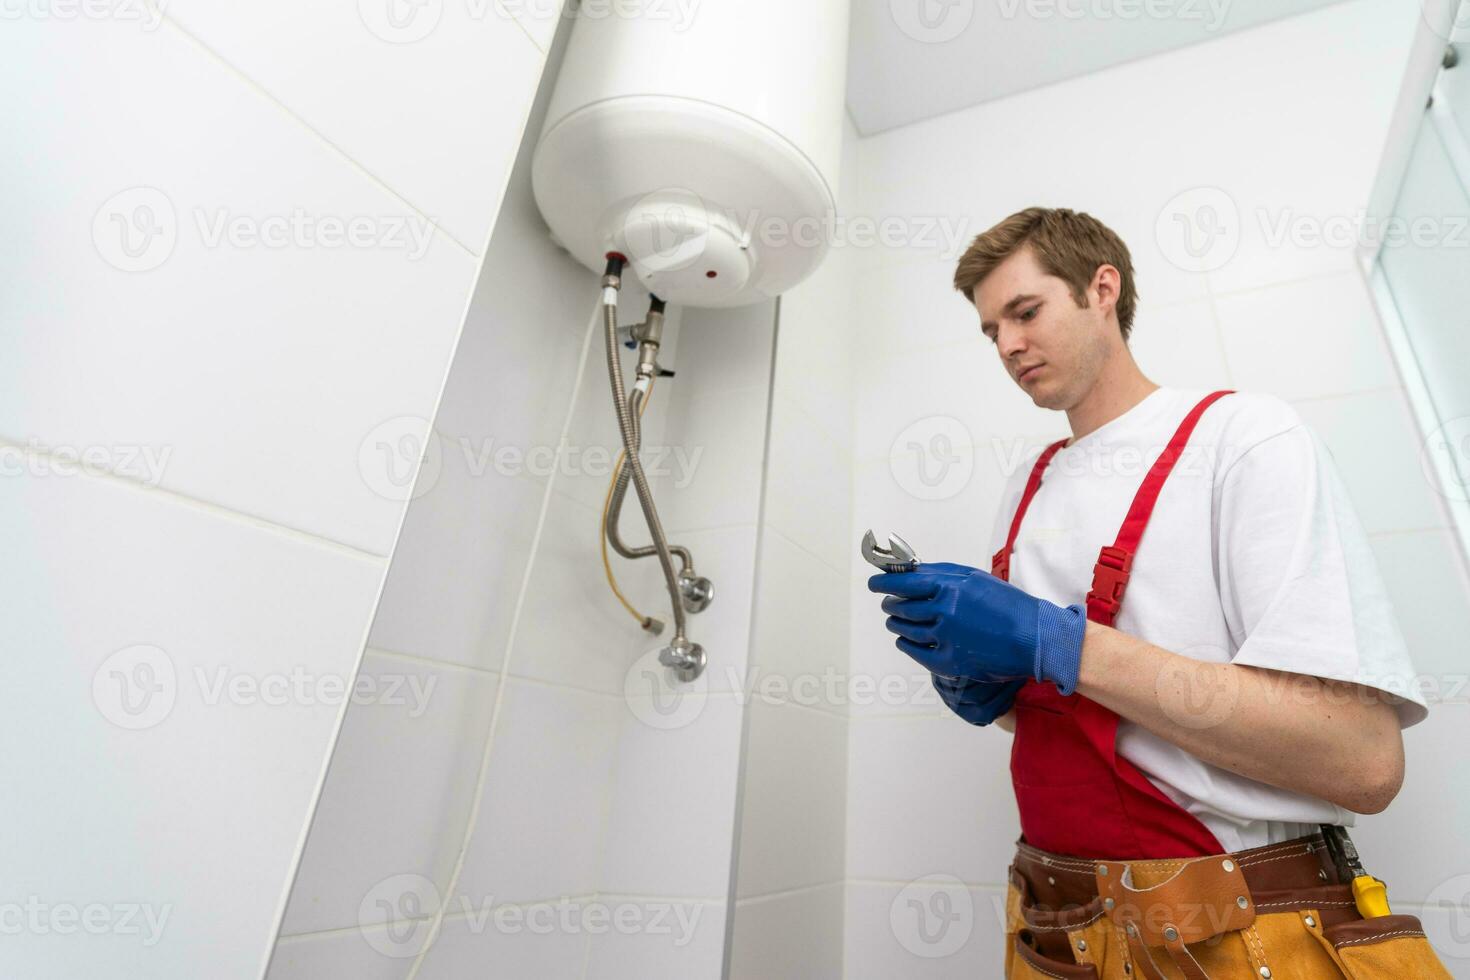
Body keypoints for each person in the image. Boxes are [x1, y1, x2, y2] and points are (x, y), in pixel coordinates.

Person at [867, 207, 1450, 978]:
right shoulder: (1026, 488)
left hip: (1237, 932)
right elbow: (1099, 720)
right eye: (990, 332)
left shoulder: (1242, 439)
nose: (1007, 346)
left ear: (1101, 288)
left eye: (1025, 312)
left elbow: (1364, 762)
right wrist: (988, 684)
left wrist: (1062, 642)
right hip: (1059, 930)